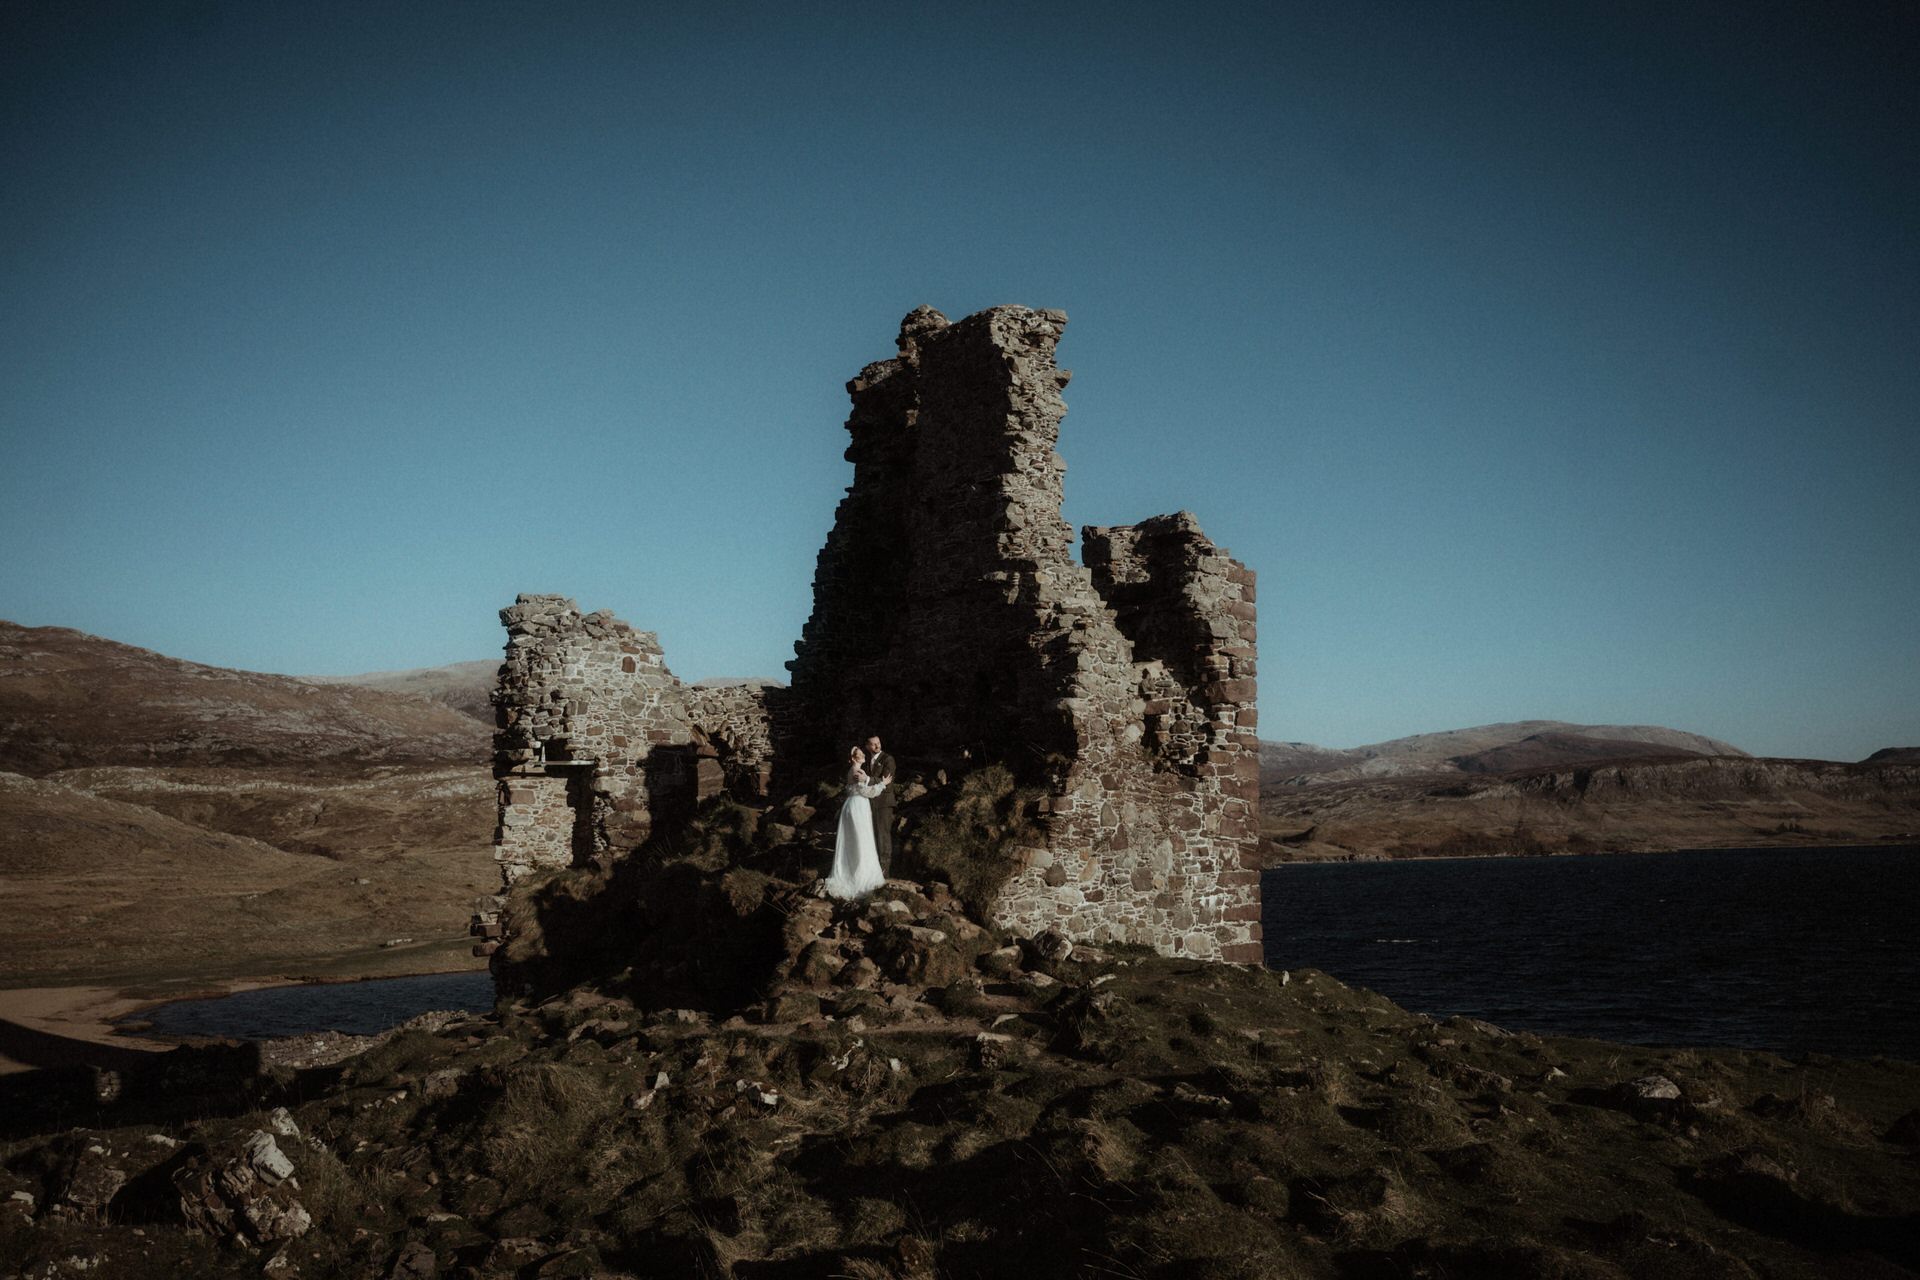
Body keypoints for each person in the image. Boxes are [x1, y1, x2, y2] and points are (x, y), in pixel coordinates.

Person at [822, 745, 887, 899]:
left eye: (863, 754)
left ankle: (857, 872)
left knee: (859, 840)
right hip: (857, 805)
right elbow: (866, 791)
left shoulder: (857, 770)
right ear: (853, 758)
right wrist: (882, 784)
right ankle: (858, 877)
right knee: (860, 840)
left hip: (857, 805)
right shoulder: (856, 771)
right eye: (860, 754)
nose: (864, 755)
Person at [864, 733, 897, 875]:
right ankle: (873, 869)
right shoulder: (866, 762)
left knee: (883, 836)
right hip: (869, 803)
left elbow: (887, 783)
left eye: (878, 742)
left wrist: (867, 779)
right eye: (873, 744)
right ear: (867, 746)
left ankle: (885, 872)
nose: (877, 745)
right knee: (872, 835)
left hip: (884, 803)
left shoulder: (888, 759)